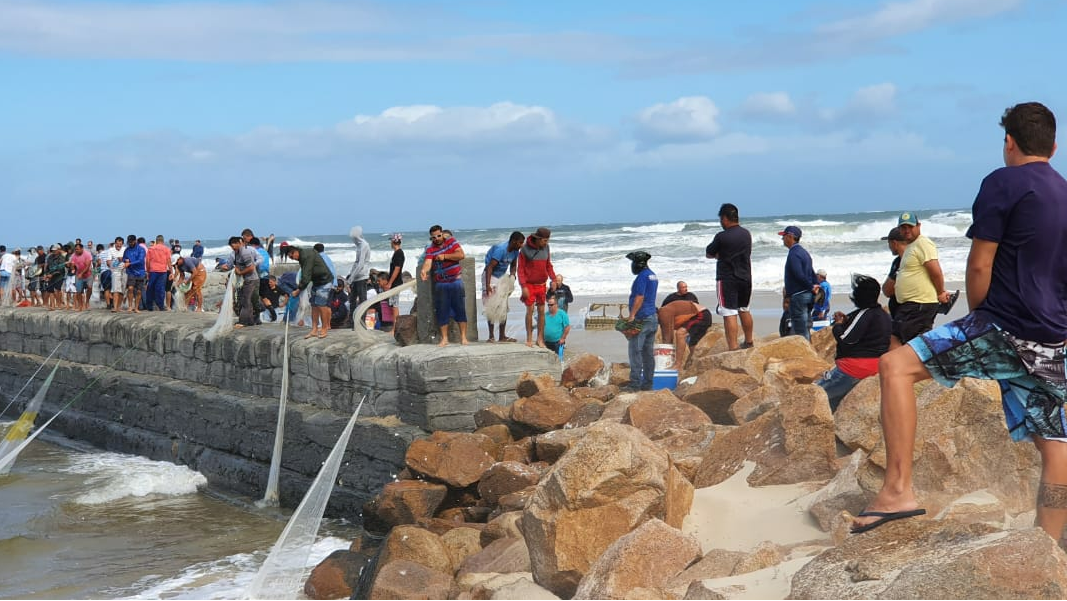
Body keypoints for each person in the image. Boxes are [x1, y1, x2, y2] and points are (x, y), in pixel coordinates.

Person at [852, 102, 1067, 538]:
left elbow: (979, 265)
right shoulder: (1063, 190)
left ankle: (897, 492)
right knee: (1056, 442)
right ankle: (1049, 542)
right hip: (1054, 336)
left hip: (1004, 324)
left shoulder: (1003, 182)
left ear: (1009, 142)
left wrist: (980, 315)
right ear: (1054, 145)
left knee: (894, 367)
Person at [814, 274, 891, 412]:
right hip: (875, 366)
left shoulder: (866, 313)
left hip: (854, 369)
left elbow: (845, 338)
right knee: (834, 403)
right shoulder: (882, 315)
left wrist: (837, 325)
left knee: (814, 393)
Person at [891, 212, 952, 347]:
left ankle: (914, 368)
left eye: (910, 227)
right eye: (903, 227)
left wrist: (941, 292)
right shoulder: (911, 246)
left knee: (910, 345)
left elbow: (935, 271)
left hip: (919, 304)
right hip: (911, 305)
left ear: (918, 226)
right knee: (897, 339)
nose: (907, 230)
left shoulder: (923, 243)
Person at [705, 203, 754, 350]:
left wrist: (720, 255)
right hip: (745, 277)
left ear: (725, 218)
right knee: (744, 309)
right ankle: (749, 341)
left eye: (721, 219)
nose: (721, 222)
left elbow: (709, 253)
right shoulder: (746, 234)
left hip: (727, 278)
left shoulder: (722, 236)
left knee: (729, 312)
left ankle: (733, 347)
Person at [420, 225, 468, 346]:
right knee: (442, 311)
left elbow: (461, 255)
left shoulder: (451, 242)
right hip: (441, 283)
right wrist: (424, 270)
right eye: (433, 237)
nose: (436, 238)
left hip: (455, 281)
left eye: (438, 235)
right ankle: (444, 338)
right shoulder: (430, 249)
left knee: (460, 309)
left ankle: (463, 337)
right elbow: (428, 262)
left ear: (442, 234)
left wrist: (445, 256)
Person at [624, 250, 658, 391]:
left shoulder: (642, 278)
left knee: (635, 351)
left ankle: (635, 384)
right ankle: (648, 384)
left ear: (638, 263)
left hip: (642, 318)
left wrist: (632, 315)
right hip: (652, 317)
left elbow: (639, 297)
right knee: (648, 353)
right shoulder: (652, 275)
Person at [517, 227, 556, 347]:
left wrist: (553, 279)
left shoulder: (546, 248)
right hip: (529, 285)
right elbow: (521, 269)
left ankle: (540, 339)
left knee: (541, 311)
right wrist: (523, 286)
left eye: (547, 240)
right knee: (530, 310)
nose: (546, 243)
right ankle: (529, 338)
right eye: (544, 241)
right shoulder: (524, 249)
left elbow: (548, 265)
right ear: (538, 239)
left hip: (542, 285)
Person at [778, 225, 817, 341]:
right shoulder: (804, 252)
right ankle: (808, 350)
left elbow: (798, 274)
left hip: (799, 295)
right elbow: (811, 272)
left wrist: (811, 286)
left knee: (800, 330)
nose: (782, 239)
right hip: (807, 294)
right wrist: (814, 285)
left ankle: (805, 355)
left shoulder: (794, 254)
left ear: (790, 237)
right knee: (806, 326)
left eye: (784, 236)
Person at [483, 231, 523, 342]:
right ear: (513, 241)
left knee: (503, 306)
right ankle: (491, 336)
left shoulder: (515, 251)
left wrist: (512, 276)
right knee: (491, 306)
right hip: (490, 276)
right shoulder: (501, 250)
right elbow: (490, 267)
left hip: (502, 277)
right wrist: (488, 286)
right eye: (520, 243)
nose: (521, 245)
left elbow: (514, 265)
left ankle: (502, 336)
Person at [286, 245, 334, 337]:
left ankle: (324, 328)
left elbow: (306, 277)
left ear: (295, 252)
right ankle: (314, 329)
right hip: (316, 282)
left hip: (325, 281)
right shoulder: (302, 257)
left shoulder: (306, 256)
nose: (292, 259)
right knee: (314, 305)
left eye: (292, 257)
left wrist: (298, 290)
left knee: (321, 304)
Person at [657, 300, 713, 370]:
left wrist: (664, 358)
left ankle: (678, 364)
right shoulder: (664, 312)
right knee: (692, 344)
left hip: (701, 315)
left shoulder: (663, 313)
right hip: (702, 314)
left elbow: (667, 339)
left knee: (680, 333)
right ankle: (691, 364)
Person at [229, 236, 260, 327]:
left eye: (234, 245)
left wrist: (240, 272)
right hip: (245, 280)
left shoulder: (245, 253)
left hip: (251, 279)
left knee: (246, 300)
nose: (233, 247)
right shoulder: (237, 253)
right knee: (246, 300)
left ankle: (243, 321)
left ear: (239, 243)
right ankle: (250, 321)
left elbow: (251, 267)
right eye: (231, 246)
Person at [880, 227, 907, 318]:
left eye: (889, 243)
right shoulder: (915, 257)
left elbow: (887, 290)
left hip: (905, 312)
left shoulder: (902, 262)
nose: (889, 247)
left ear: (894, 243)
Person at [346, 226, 372, 314]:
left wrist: (350, 279)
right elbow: (356, 262)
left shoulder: (364, 245)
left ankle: (362, 322)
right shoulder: (359, 245)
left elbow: (360, 264)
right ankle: (352, 321)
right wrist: (350, 275)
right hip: (356, 277)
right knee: (352, 300)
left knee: (362, 300)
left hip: (362, 276)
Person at [145, 235, 171, 311]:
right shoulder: (166, 249)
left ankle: (150, 306)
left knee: (150, 288)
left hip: (153, 270)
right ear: (163, 241)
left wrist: (148, 270)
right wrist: (171, 271)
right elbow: (168, 261)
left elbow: (147, 261)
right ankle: (161, 306)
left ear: (156, 241)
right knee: (161, 288)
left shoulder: (151, 249)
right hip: (163, 271)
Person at [122, 234, 146, 313]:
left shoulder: (141, 249)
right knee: (130, 288)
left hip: (140, 272)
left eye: (131, 242)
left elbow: (141, 260)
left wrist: (130, 263)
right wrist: (125, 260)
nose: (130, 243)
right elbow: (124, 258)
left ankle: (136, 308)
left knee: (139, 291)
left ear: (135, 241)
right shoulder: (127, 250)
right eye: (129, 242)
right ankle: (130, 306)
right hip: (131, 272)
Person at [68, 243, 94, 311]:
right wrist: (71, 266)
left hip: (88, 274)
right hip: (78, 274)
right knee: (78, 291)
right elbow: (72, 266)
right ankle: (80, 305)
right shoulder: (73, 256)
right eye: (75, 249)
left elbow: (87, 266)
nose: (76, 251)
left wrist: (81, 273)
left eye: (77, 249)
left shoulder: (87, 254)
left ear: (82, 249)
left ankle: (87, 301)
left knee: (89, 287)